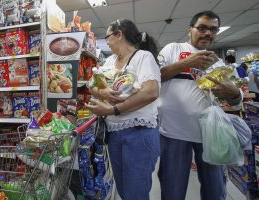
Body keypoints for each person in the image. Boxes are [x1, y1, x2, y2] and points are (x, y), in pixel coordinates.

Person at [157, 11, 242, 200]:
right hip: (174, 132)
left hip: (211, 134)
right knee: (173, 190)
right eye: (202, 27)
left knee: (215, 191)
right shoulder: (173, 49)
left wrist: (233, 93)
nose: (207, 33)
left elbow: (236, 99)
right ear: (190, 30)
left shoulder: (218, 62)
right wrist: (186, 62)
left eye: (213, 29)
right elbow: (156, 77)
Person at [85, 19, 160, 200]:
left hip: (139, 133)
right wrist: (104, 91)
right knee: (124, 190)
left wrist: (113, 110)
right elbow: (91, 86)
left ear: (119, 35)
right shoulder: (110, 61)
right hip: (115, 135)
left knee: (136, 192)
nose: (107, 42)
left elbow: (151, 92)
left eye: (108, 37)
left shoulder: (143, 57)